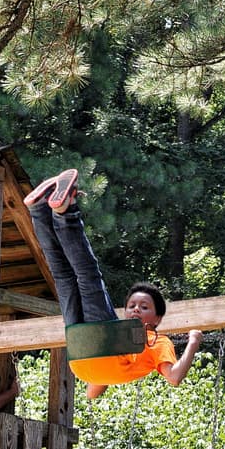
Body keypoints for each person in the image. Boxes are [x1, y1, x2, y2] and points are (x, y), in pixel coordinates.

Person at [25, 169, 203, 400]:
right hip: (83, 358)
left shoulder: (158, 342)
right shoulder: (122, 339)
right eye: (132, 306)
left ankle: (64, 212)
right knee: (64, 275)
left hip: (87, 355)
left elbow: (174, 377)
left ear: (158, 319)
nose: (136, 309)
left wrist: (193, 342)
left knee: (85, 274)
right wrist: (110, 372)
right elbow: (93, 392)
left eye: (144, 307)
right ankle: (39, 210)